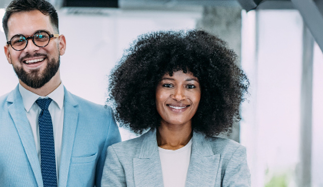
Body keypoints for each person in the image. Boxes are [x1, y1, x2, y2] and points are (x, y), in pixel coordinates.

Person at [0, 0, 121, 187]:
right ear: (8, 53)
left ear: (61, 44)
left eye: (41, 36)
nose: (31, 48)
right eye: (19, 40)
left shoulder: (101, 121)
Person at [102, 30, 250, 187]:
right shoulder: (121, 157)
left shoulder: (230, 155)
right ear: (149, 89)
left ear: (205, 94)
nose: (178, 96)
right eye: (168, 85)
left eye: (190, 86)